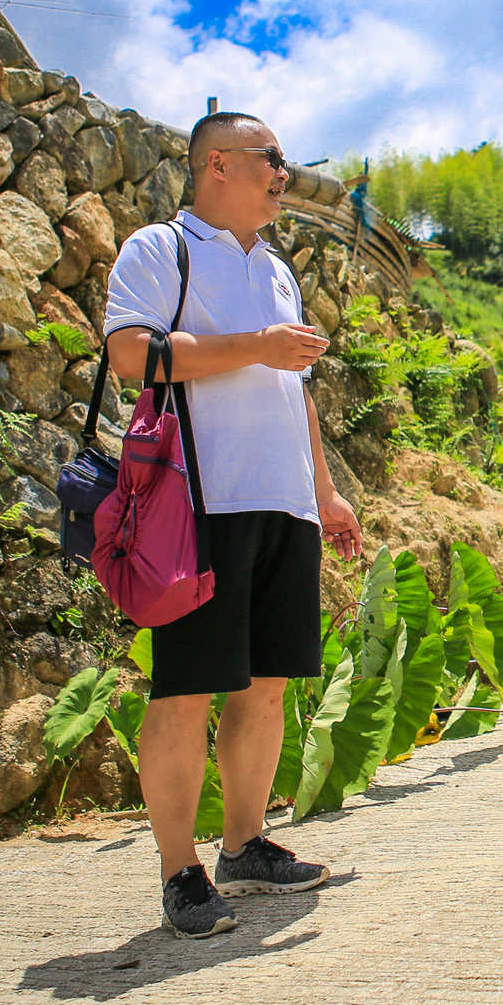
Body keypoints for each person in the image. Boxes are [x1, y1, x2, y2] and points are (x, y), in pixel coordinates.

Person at [103, 110, 364, 938]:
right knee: (184, 688)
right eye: (272, 159)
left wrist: (326, 491)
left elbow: (297, 391)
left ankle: (245, 844)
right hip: (201, 503)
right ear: (218, 164)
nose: (285, 174)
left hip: (284, 502)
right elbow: (132, 355)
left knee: (268, 683)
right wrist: (255, 343)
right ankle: (180, 870)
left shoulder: (279, 270)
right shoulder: (160, 249)